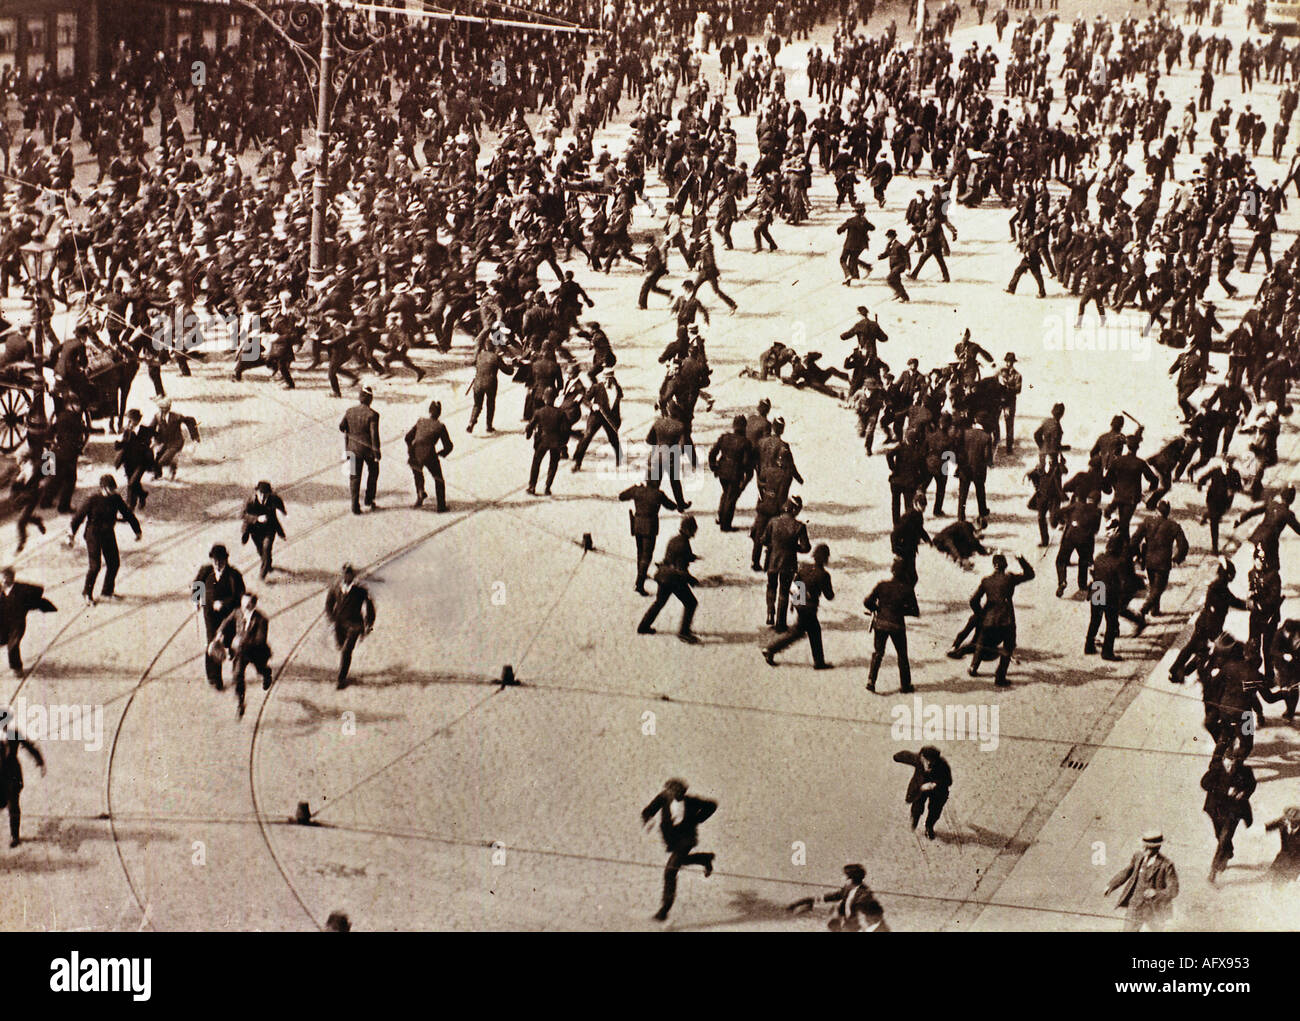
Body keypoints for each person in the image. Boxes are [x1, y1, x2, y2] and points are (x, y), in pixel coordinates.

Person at [640, 778, 716, 922]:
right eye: (669, 791)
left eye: (676, 792)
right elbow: (648, 811)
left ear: (683, 792)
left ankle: (664, 910)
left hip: (686, 839)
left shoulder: (692, 801)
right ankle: (704, 858)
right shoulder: (663, 797)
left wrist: (699, 819)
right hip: (672, 839)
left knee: (670, 871)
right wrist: (648, 820)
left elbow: (712, 805)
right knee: (680, 861)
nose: (671, 794)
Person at [67, 475, 142, 605]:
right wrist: (71, 535)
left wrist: (137, 530)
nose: (113, 491)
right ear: (103, 488)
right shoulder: (92, 500)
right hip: (93, 534)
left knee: (114, 563)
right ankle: (87, 593)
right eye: (110, 489)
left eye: (114, 489)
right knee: (95, 566)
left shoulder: (116, 498)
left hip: (108, 533)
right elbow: (78, 518)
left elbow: (128, 514)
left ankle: (107, 591)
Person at [763, 543, 834, 669]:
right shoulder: (823, 575)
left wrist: (798, 602)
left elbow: (796, 585)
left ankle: (819, 661)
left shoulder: (804, 569)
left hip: (800, 604)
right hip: (810, 608)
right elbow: (829, 595)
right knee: (801, 632)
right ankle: (771, 649)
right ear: (825, 558)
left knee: (811, 631)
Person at [969, 553, 1035, 686]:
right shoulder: (1009, 578)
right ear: (1005, 565)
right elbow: (1030, 574)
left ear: (994, 566)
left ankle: (973, 667)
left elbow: (973, 600)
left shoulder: (986, 581)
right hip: (1007, 619)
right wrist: (1021, 559)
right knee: (1008, 646)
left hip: (989, 618)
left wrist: (980, 613)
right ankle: (1000, 677)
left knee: (982, 642)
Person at [637, 515, 700, 643]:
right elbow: (680, 569)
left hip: (663, 575)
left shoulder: (675, 539)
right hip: (673, 579)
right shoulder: (683, 544)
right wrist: (692, 579)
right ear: (688, 530)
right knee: (691, 603)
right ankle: (684, 632)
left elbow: (675, 556)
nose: (695, 532)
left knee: (659, 602)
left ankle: (643, 626)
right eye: (693, 529)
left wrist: (690, 557)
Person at [193, 543, 246, 689]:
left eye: (220, 561)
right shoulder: (206, 571)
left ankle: (232, 663)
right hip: (209, 614)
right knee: (213, 642)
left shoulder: (234, 576)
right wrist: (196, 600)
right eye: (214, 560)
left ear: (226, 560)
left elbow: (239, 597)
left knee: (228, 641)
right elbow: (197, 584)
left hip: (227, 616)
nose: (217, 564)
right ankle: (214, 678)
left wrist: (224, 603)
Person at [864, 557, 919, 693]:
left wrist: (877, 609)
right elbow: (915, 611)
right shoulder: (907, 589)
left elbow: (867, 602)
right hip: (897, 626)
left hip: (881, 623)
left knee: (878, 653)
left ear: (892, 570)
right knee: (902, 655)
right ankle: (905, 685)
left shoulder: (882, 585)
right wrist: (900, 610)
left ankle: (871, 681)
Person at [213, 592, 272, 718]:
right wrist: (220, 633)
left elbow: (260, 640)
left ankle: (267, 674)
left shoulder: (261, 620)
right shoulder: (238, 612)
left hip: (255, 652)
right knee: (237, 675)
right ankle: (241, 702)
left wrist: (243, 642)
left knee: (261, 669)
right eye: (243, 603)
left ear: (253, 605)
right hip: (240, 652)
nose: (244, 606)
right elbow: (226, 622)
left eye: (247, 604)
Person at [1105, 832, 1179, 931]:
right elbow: (1127, 871)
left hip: (1154, 909)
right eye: (1143, 846)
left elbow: (1173, 890)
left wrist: (1156, 893)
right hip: (1135, 905)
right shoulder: (1138, 856)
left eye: (1147, 847)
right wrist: (1111, 885)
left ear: (1156, 848)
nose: (1143, 849)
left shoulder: (1166, 865)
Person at [1201, 754, 1256, 883]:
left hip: (1234, 811)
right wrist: (1224, 790)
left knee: (1224, 837)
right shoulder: (1216, 769)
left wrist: (1243, 793)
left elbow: (1252, 785)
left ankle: (1213, 871)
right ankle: (1228, 851)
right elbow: (1204, 783)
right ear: (1224, 760)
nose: (1231, 766)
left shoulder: (1245, 770)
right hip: (1217, 809)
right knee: (1219, 835)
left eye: (1233, 763)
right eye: (1228, 762)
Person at [787, 864, 890, 931]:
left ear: (850, 878)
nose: (842, 877)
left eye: (844, 875)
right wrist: (803, 902)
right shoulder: (848, 889)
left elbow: (867, 920)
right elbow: (831, 897)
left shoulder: (864, 897)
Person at [325, 564, 375, 689]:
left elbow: (370, 607)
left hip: (355, 625)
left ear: (352, 575)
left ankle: (341, 679)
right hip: (339, 624)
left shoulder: (360, 590)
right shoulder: (335, 588)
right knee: (341, 647)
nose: (345, 576)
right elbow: (329, 605)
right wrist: (331, 619)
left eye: (348, 574)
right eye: (343, 574)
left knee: (346, 651)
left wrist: (369, 623)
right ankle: (344, 672)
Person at [0, 568, 56, 676]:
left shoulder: (21, 588)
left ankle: (17, 669)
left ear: (12, 578)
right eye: (2, 579)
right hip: (3, 623)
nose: (3, 582)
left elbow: (39, 589)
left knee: (13, 645)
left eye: (6, 579)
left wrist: (31, 602)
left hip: (17, 623)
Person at [892, 745, 952, 840]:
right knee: (917, 805)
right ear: (922, 757)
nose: (928, 764)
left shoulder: (943, 765)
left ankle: (929, 827)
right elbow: (905, 756)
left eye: (931, 762)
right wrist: (896, 757)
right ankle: (915, 818)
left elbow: (949, 781)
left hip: (937, 791)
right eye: (926, 761)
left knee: (934, 811)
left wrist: (934, 784)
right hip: (921, 787)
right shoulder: (918, 759)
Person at [0, 722, 44, 848]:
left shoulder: (14, 734)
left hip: (13, 775)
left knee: (13, 804)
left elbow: (29, 746)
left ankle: (15, 837)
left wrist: (39, 761)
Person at [405, 400, 454, 511]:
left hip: (415, 452)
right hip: (429, 453)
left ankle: (420, 493)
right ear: (439, 413)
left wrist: (410, 450)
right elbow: (448, 446)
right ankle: (441, 506)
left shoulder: (420, 421)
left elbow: (408, 437)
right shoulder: (440, 426)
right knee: (438, 479)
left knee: (417, 472)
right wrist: (441, 453)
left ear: (429, 411)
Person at [340, 386, 381, 514]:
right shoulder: (373, 414)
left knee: (354, 477)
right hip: (367, 450)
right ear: (370, 399)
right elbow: (374, 434)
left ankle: (354, 505)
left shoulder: (350, 411)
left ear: (359, 397)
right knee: (373, 471)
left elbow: (341, 427)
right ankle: (369, 499)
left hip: (352, 449)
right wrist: (377, 451)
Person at [241, 481, 286, 580]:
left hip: (269, 530)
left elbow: (275, 516)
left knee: (267, 548)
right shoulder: (250, 501)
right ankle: (268, 564)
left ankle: (262, 575)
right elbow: (243, 515)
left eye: (265, 494)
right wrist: (257, 518)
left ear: (269, 494)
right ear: (256, 492)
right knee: (261, 550)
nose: (263, 497)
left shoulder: (273, 499)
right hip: (255, 530)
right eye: (261, 494)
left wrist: (281, 532)